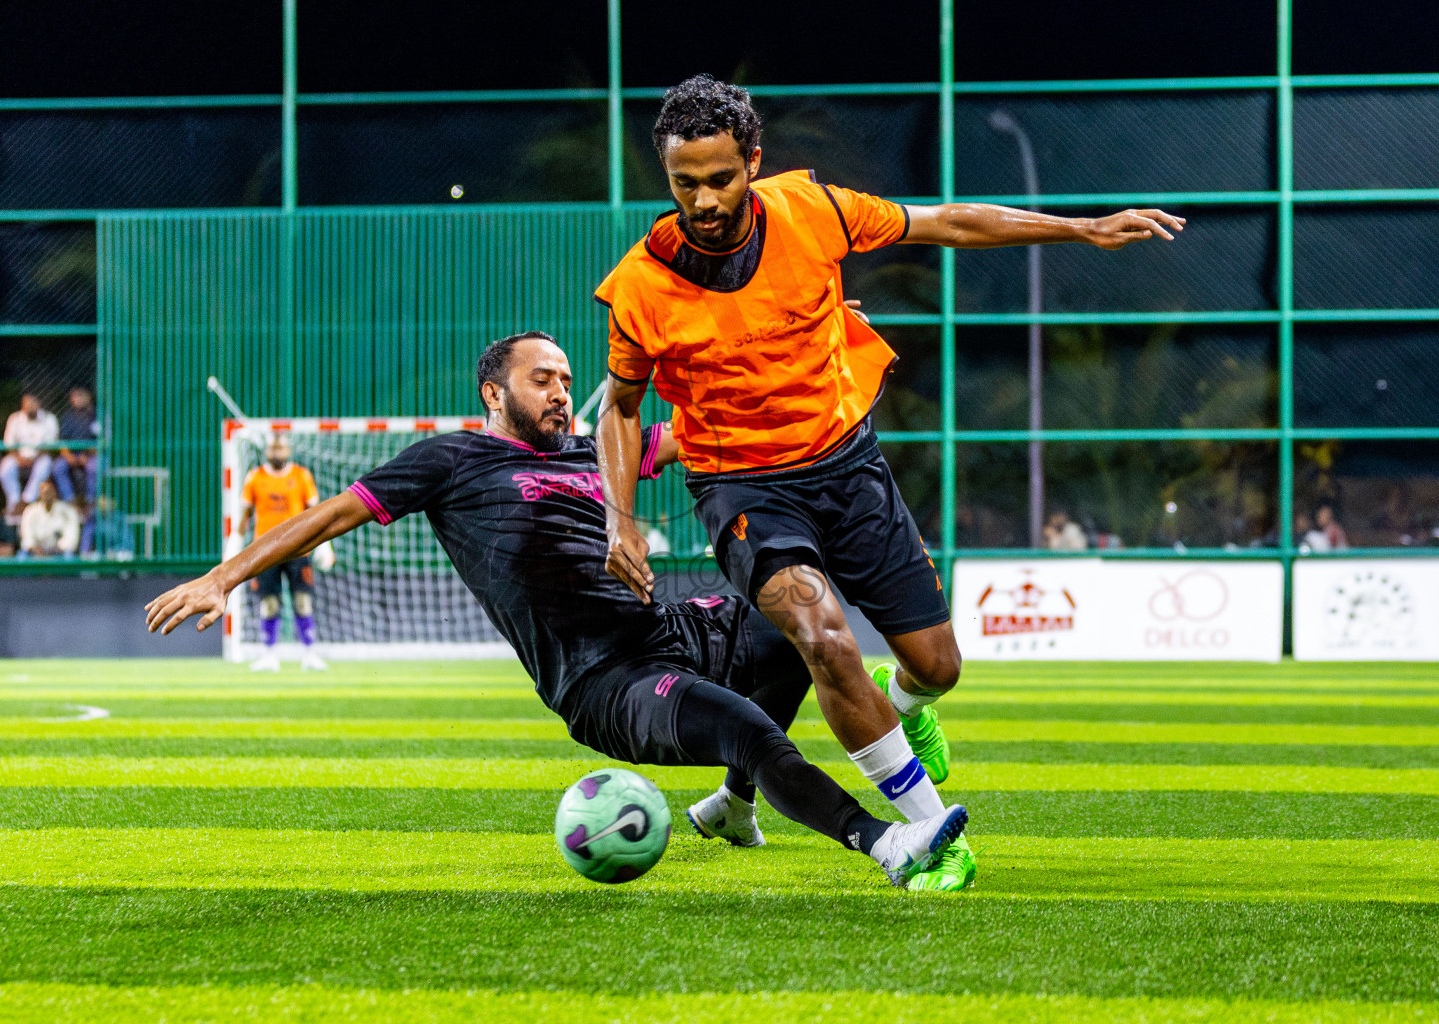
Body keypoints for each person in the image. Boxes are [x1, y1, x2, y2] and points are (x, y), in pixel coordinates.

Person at [594, 76, 1185, 890]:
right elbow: (621, 410)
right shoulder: (641, 285)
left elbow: (946, 221)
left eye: (720, 178)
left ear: (753, 162)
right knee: (819, 630)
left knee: (937, 667)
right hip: (742, 487)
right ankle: (922, 831)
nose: (702, 199)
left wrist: (1082, 230)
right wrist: (619, 517)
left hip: (848, 466)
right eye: (683, 183)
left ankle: (881, 711)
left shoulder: (815, 212)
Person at [145, 332, 968, 890]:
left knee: (793, 616)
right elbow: (325, 516)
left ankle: (734, 804)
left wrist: (811, 355)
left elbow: (709, 428)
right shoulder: (450, 461)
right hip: (605, 679)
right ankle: (887, 843)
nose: (562, 392)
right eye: (543, 379)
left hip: (670, 630)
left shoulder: (591, 451)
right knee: (753, 731)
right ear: (492, 391)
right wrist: (225, 577)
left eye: (569, 380)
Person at [238, 436, 326, 672]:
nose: (277, 452)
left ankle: (309, 653)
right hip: (265, 552)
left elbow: (316, 512)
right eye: (273, 448)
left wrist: (325, 544)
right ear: (267, 451)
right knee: (269, 603)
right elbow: (244, 516)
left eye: (281, 447)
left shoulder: (301, 476)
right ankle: (268, 655)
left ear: (288, 450)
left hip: (298, 549)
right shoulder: (255, 477)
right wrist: (233, 547)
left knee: (302, 601)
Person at [0, 392, 59, 513]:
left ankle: (26, 501)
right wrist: (19, 458)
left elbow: (51, 445)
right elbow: (9, 443)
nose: (28, 406)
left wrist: (33, 458)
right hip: (18, 458)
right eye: (25, 403)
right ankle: (14, 503)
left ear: (39, 403)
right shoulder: (15, 418)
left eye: (32, 403)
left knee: (45, 464)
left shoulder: (49, 419)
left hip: (39, 457)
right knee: (5, 467)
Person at [54, 386, 100, 507]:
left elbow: (103, 442)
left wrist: (87, 454)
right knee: (58, 468)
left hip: (93, 455)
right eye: (74, 396)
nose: (77, 398)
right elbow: (62, 442)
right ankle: (70, 501)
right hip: (71, 455)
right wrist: (69, 456)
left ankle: (90, 502)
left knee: (93, 467)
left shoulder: (98, 415)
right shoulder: (67, 417)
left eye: (80, 395)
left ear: (89, 396)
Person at [18, 480, 80, 558]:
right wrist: (35, 548)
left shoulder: (67, 511)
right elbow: (27, 536)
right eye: (42, 490)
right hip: (36, 550)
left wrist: (58, 549)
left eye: (49, 490)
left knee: (69, 556)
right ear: (39, 493)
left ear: (55, 492)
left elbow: (71, 538)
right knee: (22, 556)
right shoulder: (30, 511)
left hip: (59, 551)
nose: (45, 493)